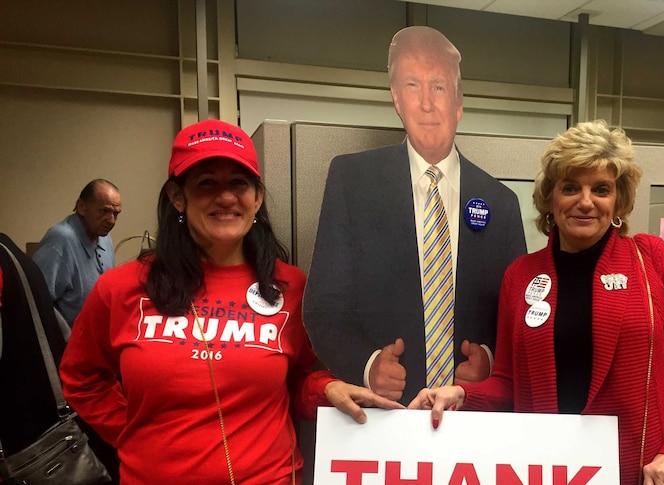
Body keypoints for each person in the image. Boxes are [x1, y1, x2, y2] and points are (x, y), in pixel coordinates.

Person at [59, 119, 402, 484]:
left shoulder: (292, 288)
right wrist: (135, 432)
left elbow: (297, 382)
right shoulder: (121, 288)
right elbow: (81, 379)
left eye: (239, 183)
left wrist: (326, 388)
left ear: (257, 196)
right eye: (207, 183)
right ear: (178, 196)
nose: (225, 197)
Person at [409, 120, 664, 485]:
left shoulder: (651, 259)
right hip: (554, 468)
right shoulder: (520, 276)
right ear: (550, 198)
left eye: (602, 189)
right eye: (571, 187)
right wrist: (463, 394)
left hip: (647, 470)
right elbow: (509, 382)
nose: (586, 201)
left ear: (618, 200)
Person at [303, 26, 527, 405]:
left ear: (459, 102)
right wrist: (368, 364)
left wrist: (489, 362)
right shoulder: (351, 182)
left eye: (438, 87)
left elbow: (519, 318)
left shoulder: (501, 202)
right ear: (395, 98)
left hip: (471, 418)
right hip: (382, 419)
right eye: (412, 85)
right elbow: (324, 308)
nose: (426, 103)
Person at [33, 179, 122, 325]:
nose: (111, 220)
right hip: (67, 342)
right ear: (81, 207)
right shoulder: (60, 239)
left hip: (97, 337)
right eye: (104, 211)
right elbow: (37, 302)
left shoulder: (103, 236)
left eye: (116, 214)